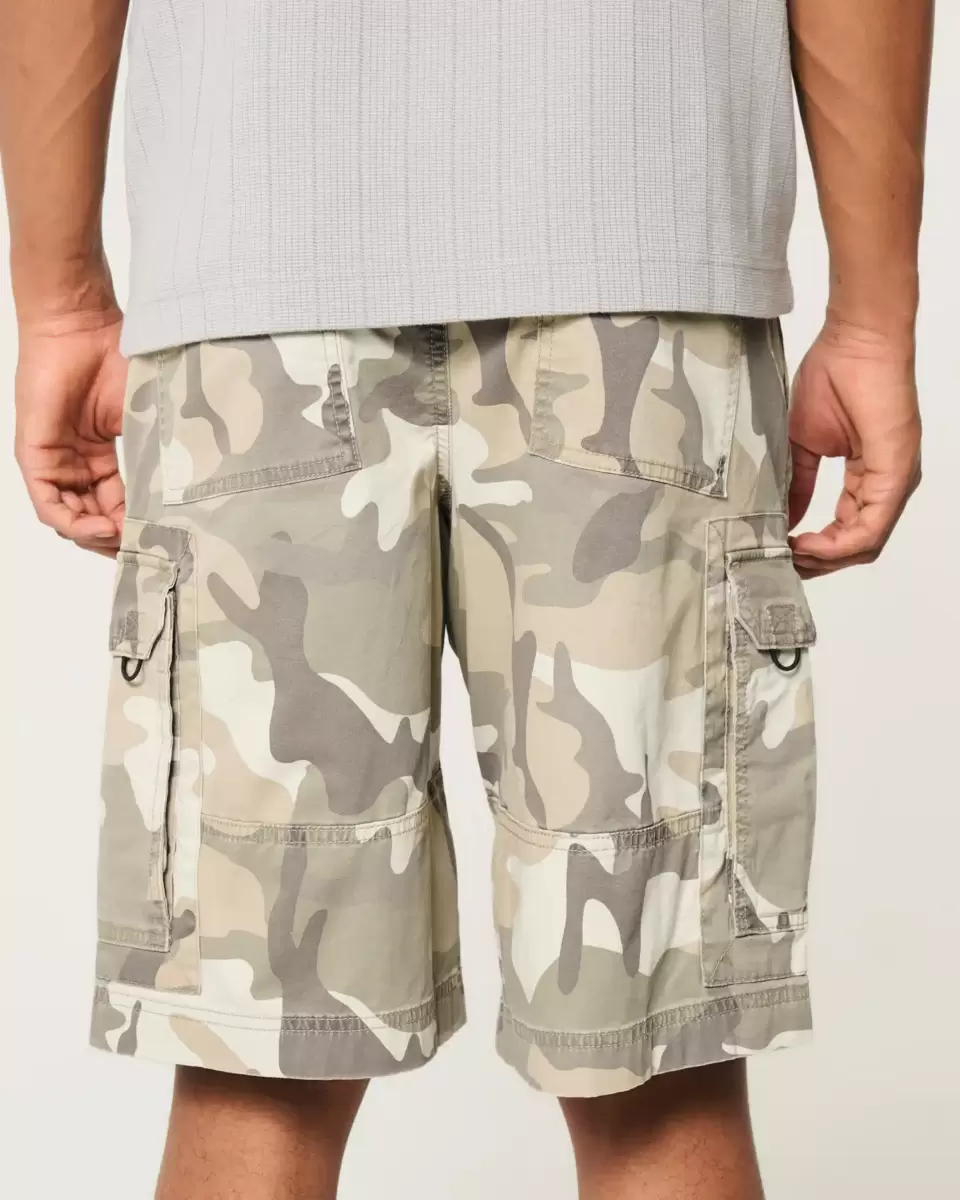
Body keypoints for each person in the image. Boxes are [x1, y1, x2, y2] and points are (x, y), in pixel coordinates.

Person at [0, 2, 931, 1197]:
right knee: (654, 1070)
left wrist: (61, 296)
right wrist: (872, 314)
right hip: (641, 258)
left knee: (260, 1063)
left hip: (254, 276)